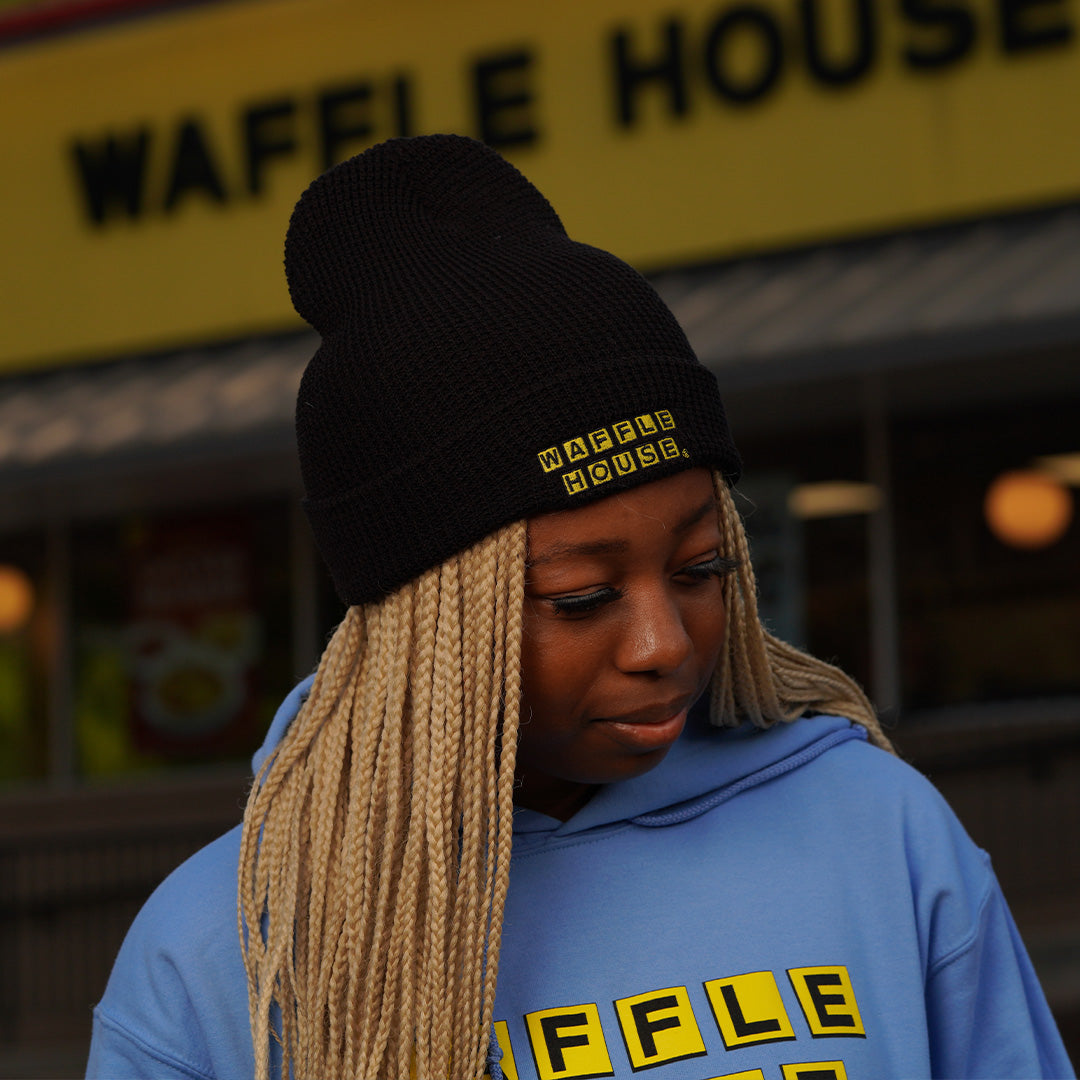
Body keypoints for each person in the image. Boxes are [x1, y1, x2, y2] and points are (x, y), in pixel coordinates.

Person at [86, 134, 1074, 1080]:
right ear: (426, 627)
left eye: (700, 568)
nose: (662, 643)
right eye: (582, 596)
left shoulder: (875, 827)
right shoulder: (226, 951)